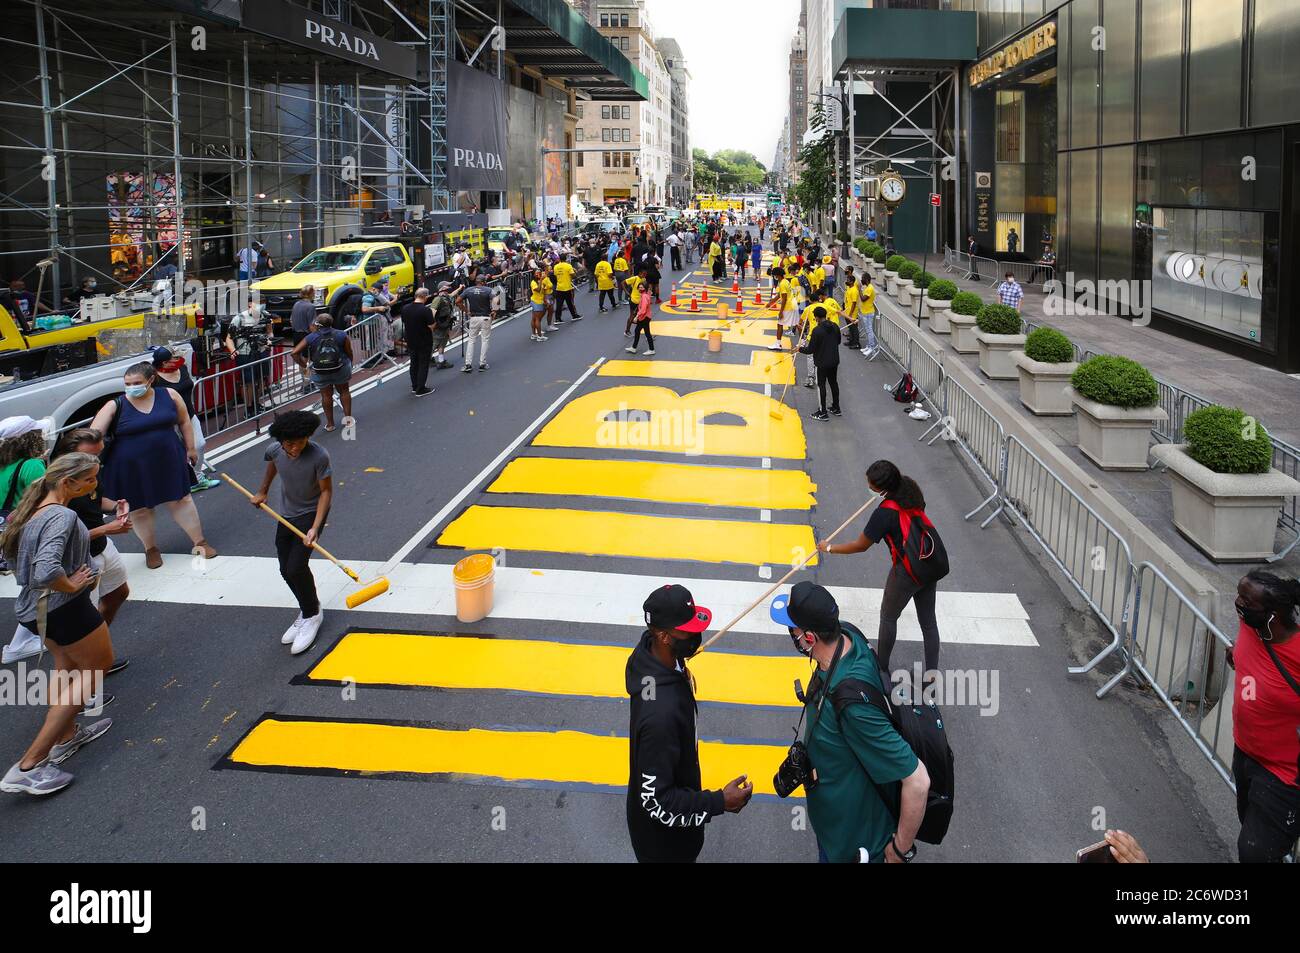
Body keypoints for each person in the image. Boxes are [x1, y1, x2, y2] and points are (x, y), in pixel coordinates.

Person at [770, 582, 930, 863]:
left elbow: (918, 781)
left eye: (792, 629)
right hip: (834, 827)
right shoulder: (846, 634)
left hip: (854, 846)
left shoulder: (853, 706)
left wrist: (898, 850)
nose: (790, 634)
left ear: (808, 638)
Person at [0, 453, 115, 797]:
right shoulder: (62, 516)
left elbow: (11, 559)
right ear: (68, 483)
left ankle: (66, 737)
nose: (95, 486)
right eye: (90, 480)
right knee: (96, 668)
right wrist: (73, 584)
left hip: (34, 610)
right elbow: (46, 570)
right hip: (65, 608)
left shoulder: (30, 511)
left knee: (65, 667)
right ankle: (29, 765)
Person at [625, 584, 752, 862]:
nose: (696, 634)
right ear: (663, 635)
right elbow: (657, 801)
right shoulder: (661, 715)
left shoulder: (651, 656)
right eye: (687, 629)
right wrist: (719, 802)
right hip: (665, 845)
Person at [818, 461, 943, 677]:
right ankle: (932, 675)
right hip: (928, 563)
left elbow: (861, 545)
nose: (869, 488)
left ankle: (881, 668)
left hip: (906, 572)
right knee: (929, 623)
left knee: (888, 618)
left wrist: (828, 548)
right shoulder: (910, 488)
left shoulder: (884, 513)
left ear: (882, 488)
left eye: (872, 486)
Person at [91, 363, 216, 569]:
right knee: (139, 509)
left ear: (151, 380)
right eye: (128, 384)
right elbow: (94, 435)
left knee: (182, 499)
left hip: (169, 458)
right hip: (131, 467)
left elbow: (185, 421)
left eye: (137, 383)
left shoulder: (170, 395)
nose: (132, 387)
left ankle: (199, 541)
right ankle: (150, 548)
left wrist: (191, 448)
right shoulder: (115, 405)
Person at [1227, 570, 1300, 862]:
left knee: (1255, 852)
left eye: (1246, 601)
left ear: (1273, 616)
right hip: (1244, 753)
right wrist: (1235, 655)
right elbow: (1251, 660)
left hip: (1285, 773)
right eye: (1238, 595)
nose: (1238, 604)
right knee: (1249, 825)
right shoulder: (1250, 627)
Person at [248, 411, 332, 657]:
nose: (294, 448)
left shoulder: (319, 456)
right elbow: (273, 465)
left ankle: (312, 615)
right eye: (289, 444)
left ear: (308, 437)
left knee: (296, 567)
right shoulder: (275, 450)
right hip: (286, 512)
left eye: (299, 442)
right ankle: (308, 607)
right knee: (285, 569)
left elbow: (326, 493)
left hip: (311, 512)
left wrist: (315, 527)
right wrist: (262, 491)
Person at [0, 416, 52, 664]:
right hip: (30, 534)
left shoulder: (3, 466)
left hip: (9, 536)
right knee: (37, 585)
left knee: (32, 584)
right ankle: (19, 644)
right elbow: (46, 498)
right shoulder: (32, 466)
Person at [152, 346, 217, 492]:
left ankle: (197, 477)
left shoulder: (182, 368)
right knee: (175, 452)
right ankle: (181, 481)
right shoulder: (154, 377)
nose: (176, 360)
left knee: (199, 444)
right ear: (163, 363)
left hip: (189, 415)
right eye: (172, 359)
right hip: (170, 420)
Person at [291, 314, 353, 433]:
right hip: (341, 367)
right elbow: (348, 350)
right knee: (344, 391)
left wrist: (304, 366)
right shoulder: (341, 334)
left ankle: (330, 424)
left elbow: (294, 353)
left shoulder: (311, 337)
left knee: (326, 395)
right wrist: (350, 361)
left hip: (320, 371)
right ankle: (348, 421)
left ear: (317, 324)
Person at [224, 302, 273, 417]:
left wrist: (269, 341)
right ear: (249, 305)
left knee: (261, 379)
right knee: (248, 382)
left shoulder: (266, 316)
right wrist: (233, 350)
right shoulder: (239, 318)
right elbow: (229, 338)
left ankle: (257, 404)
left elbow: (269, 331)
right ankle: (249, 408)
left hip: (261, 352)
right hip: (245, 354)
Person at [800, 306, 841, 421]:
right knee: (833, 383)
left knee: (821, 385)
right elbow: (838, 341)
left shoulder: (816, 331)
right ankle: (836, 407)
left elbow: (810, 350)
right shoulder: (835, 326)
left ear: (817, 317)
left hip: (822, 362)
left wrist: (799, 349)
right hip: (834, 360)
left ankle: (822, 412)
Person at [398, 288, 436, 396]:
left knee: (414, 363)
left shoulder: (405, 308)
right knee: (423, 364)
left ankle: (414, 386)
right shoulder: (425, 310)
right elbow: (431, 325)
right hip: (424, 340)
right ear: (425, 296)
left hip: (410, 339)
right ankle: (421, 388)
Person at [457, 274, 496, 373]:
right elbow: (496, 299)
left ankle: (468, 364)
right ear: (483, 282)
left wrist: (466, 311)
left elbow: (458, 301)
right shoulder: (488, 290)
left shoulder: (468, 290)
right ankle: (482, 364)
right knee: (485, 340)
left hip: (474, 317)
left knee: (471, 340)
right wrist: (495, 310)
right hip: (485, 317)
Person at [625, 267, 655, 357]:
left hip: (644, 317)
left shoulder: (644, 296)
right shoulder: (644, 295)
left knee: (646, 333)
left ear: (644, 288)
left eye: (641, 287)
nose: (640, 288)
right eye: (639, 287)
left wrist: (637, 316)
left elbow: (643, 309)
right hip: (645, 317)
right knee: (638, 331)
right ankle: (634, 348)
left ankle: (651, 349)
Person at [766, 267, 796, 352]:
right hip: (792, 305)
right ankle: (803, 340)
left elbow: (784, 298)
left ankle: (778, 344)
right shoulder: (785, 281)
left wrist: (781, 312)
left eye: (774, 275)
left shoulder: (782, 284)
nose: (774, 277)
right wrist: (770, 303)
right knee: (795, 323)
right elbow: (779, 295)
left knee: (780, 324)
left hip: (788, 307)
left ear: (777, 275)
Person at [552, 254, 582, 323]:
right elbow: (573, 275)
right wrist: (575, 275)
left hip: (559, 287)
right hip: (567, 287)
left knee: (559, 304)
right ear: (566, 259)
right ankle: (574, 315)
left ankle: (557, 319)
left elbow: (556, 275)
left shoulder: (556, 266)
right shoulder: (568, 266)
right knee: (570, 303)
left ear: (559, 259)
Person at [858, 273, 879, 359]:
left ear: (866, 279)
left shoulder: (870, 288)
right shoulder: (867, 287)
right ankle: (868, 345)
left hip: (868, 312)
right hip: (865, 312)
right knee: (867, 330)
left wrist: (859, 289)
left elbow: (863, 299)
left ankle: (872, 348)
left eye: (862, 278)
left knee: (869, 330)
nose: (861, 280)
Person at [528, 269, 549, 342]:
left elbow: (544, 291)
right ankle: (539, 336)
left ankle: (534, 334)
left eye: (539, 273)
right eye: (536, 273)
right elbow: (538, 289)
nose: (538, 274)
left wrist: (545, 300)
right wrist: (541, 280)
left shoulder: (540, 281)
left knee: (534, 318)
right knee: (537, 319)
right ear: (533, 274)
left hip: (540, 301)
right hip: (536, 302)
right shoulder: (533, 282)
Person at [842, 272, 862, 350]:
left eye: (848, 280)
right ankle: (851, 341)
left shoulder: (854, 290)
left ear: (851, 282)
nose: (846, 281)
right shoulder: (849, 288)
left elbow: (854, 303)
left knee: (854, 329)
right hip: (847, 311)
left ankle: (856, 343)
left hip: (852, 313)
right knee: (850, 328)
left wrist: (850, 314)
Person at [623, 267, 644, 337]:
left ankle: (642, 331)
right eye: (643, 274)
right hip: (634, 301)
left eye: (645, 274)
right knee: (632, 316)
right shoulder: (634, 278)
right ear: (639, 273)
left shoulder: (643, 279)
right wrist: (626, 292)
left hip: (641, 302)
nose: (644, 275)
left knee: (641, 316)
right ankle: (627, 331)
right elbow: (623, 283)